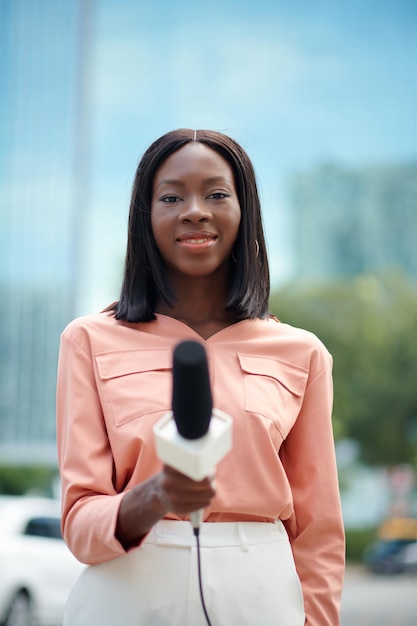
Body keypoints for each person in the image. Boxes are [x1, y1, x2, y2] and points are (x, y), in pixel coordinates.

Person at [56, 128, 345, 626]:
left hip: (261, 593)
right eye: (171, 196)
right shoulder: (87, 340)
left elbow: (318, 532)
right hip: (127, 590)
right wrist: (155, 496)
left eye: (216, 193)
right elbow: (80, 522)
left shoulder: (302, 353)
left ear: (243, 210)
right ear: (145, 217)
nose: (195, 210)